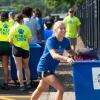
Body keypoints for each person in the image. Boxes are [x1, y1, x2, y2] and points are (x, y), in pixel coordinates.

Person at [31, 21, 76, 100]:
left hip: (51, 69)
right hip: (43, 69)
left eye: (64, 28)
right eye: (61, 28)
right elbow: (54, 55)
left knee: (40, 89)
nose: (63, 30)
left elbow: (70, 51)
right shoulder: (51, 40)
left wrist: (80, 55)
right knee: (61, 88)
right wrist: (67, 58)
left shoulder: (66, 41)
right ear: (55, 30)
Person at [9, 13, 32, 91]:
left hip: (16, 50)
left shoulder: (12, 28)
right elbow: (29, 40)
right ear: (22, 20)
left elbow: (10, 41)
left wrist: (16, 44)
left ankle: (22, 85)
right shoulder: (26, 28)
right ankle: (28, 84)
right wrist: (24, 43)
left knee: (19, 68)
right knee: (26, 67)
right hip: (25, 49)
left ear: (16, 20)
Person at [0, 12, 11, 90]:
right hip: (7, 45)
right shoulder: (11, 25)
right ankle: (6, 83)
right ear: (8, 17)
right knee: (5, 66)